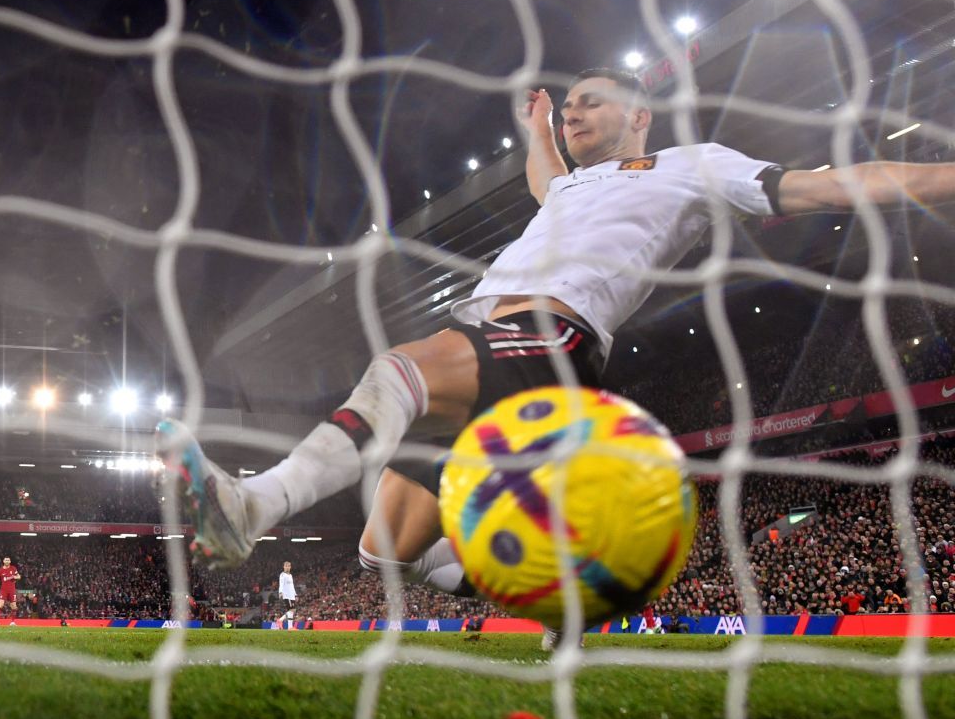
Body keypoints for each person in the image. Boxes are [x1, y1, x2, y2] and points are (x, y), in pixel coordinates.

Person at [160, 68, 955, 626]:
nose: (574, 113)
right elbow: (550, 183)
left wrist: (943, 174)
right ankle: (550, 589)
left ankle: (254, 504)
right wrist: (538, 129)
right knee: (384, 553)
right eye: (568, 106)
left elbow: (820, 186)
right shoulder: (570, 185)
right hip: (495, 339)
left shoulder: (692, 167)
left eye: (589, 104)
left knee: (398, 367)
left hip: (553, 335)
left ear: (640, 114)